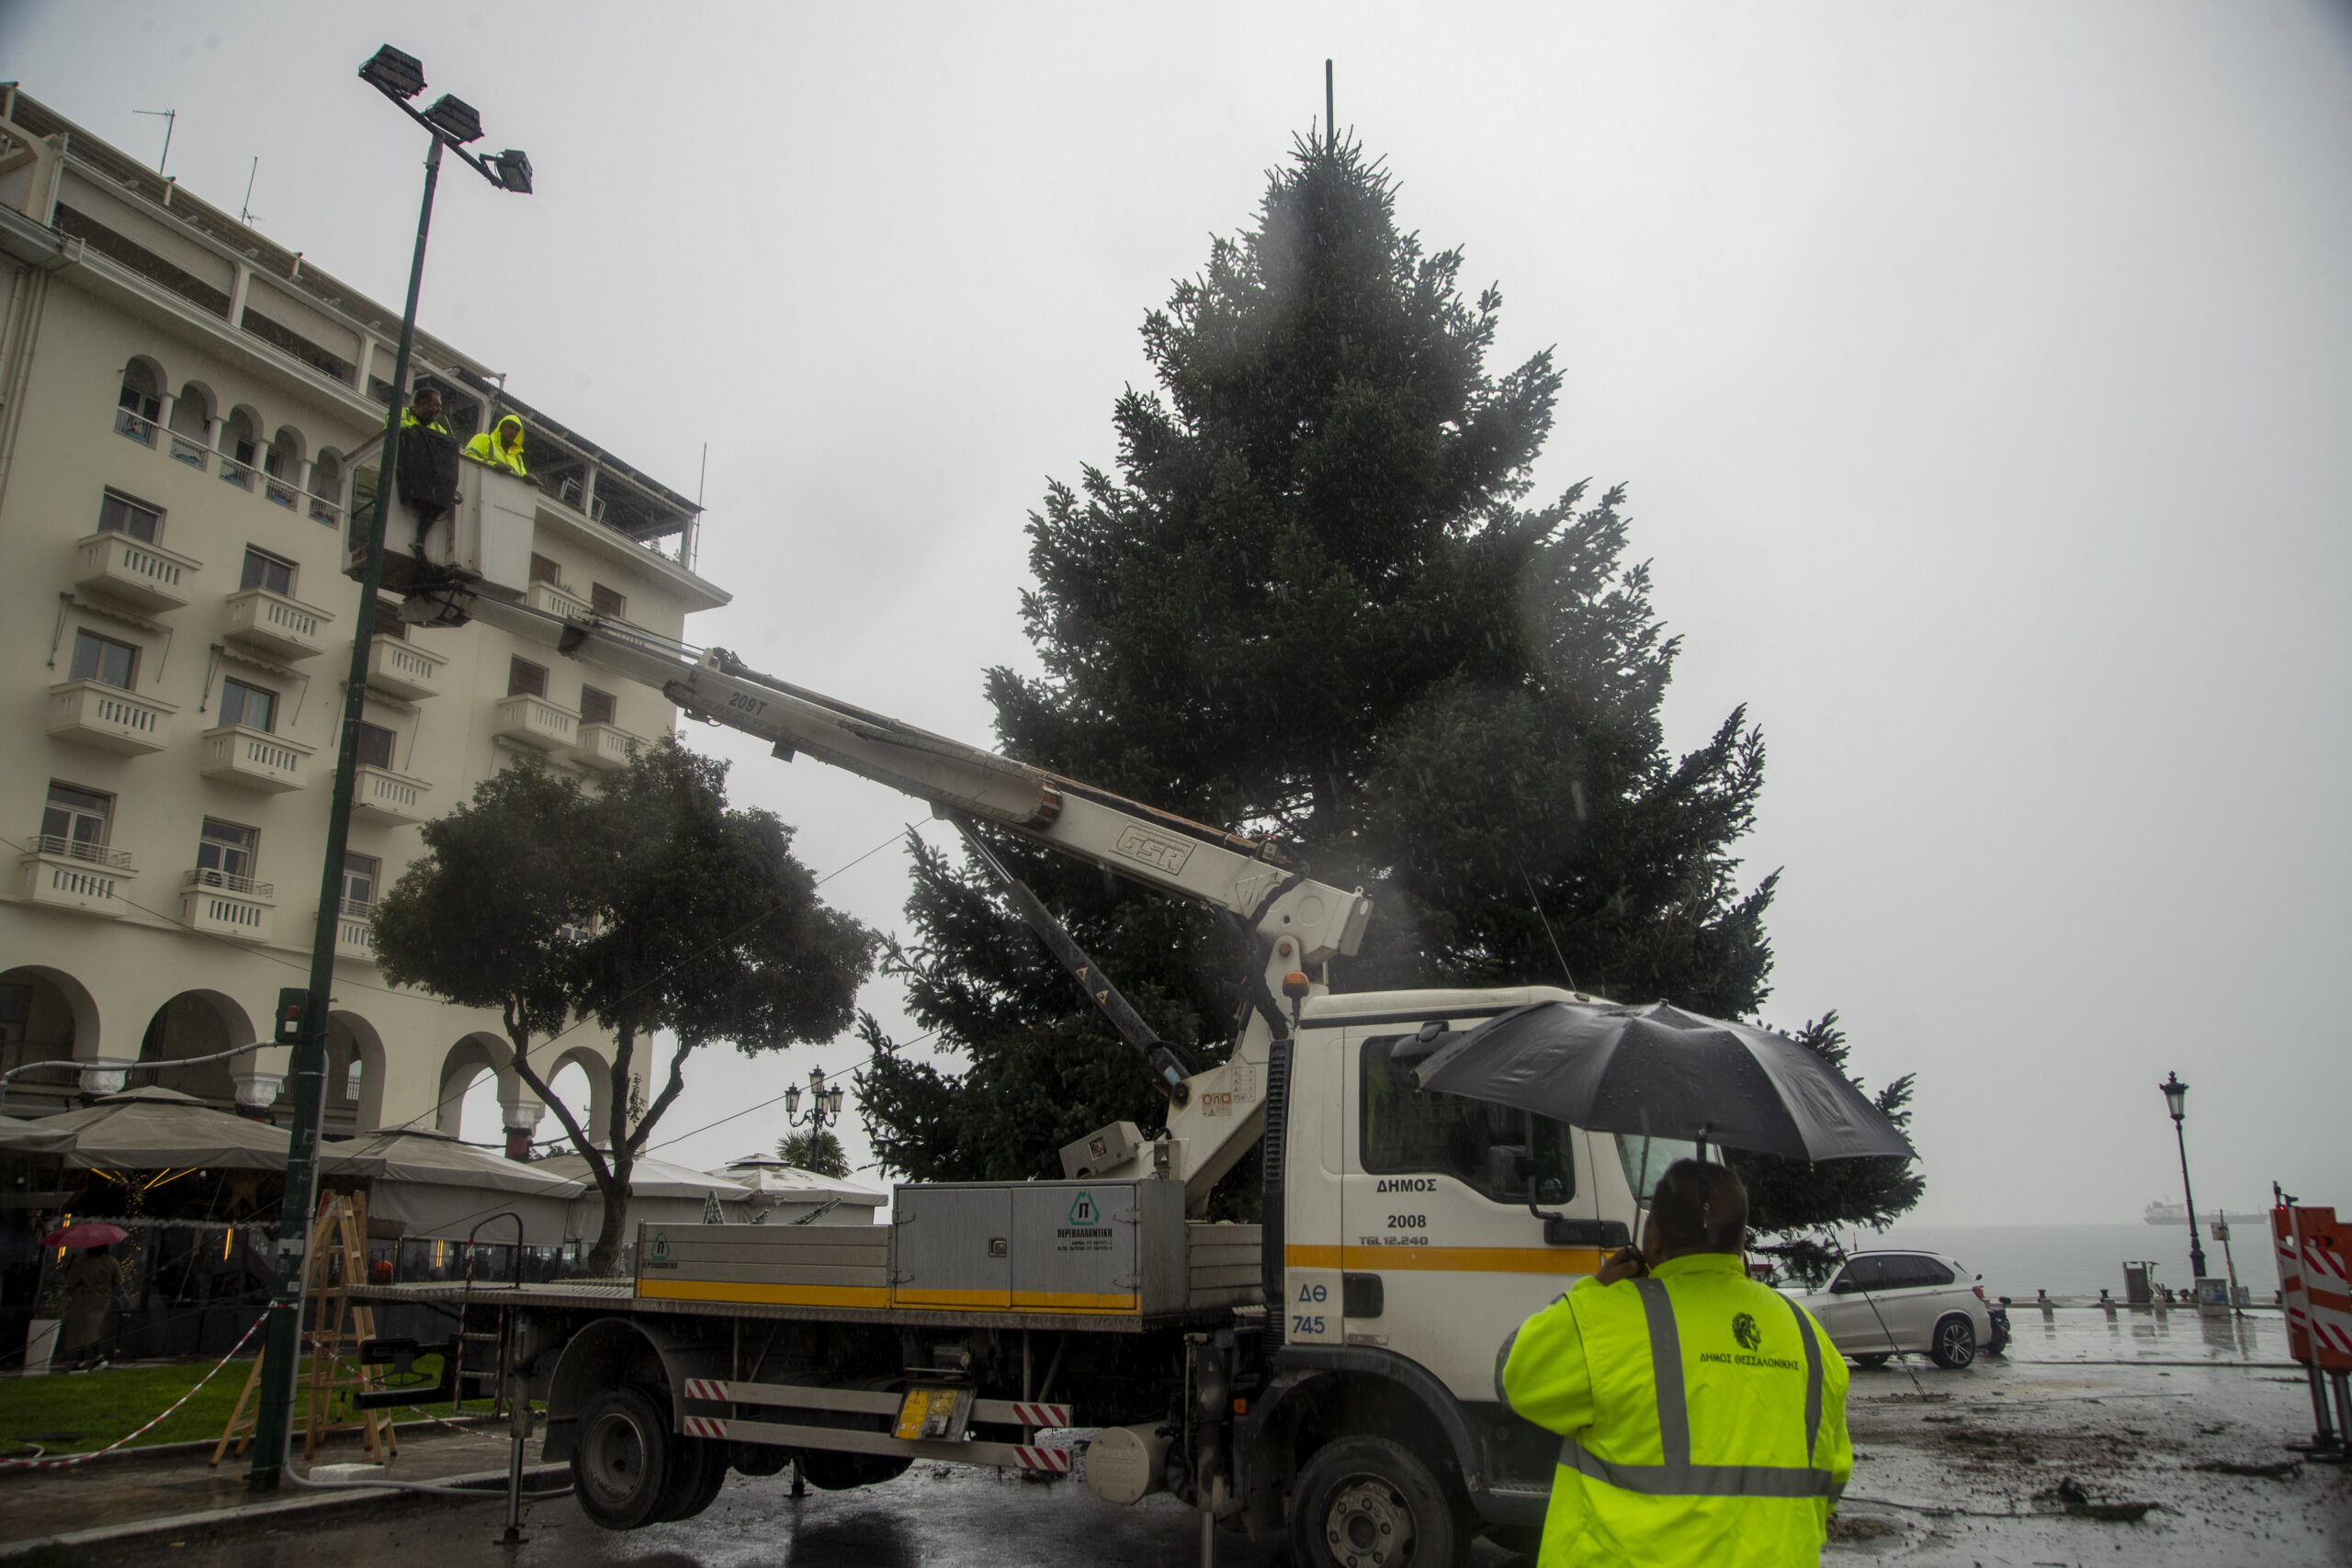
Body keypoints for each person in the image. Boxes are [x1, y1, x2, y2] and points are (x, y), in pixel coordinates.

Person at [1500, 1159, 1851, 1565]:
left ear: (1653, 1237)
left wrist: (1594, 1291)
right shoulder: (1810, 1338)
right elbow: (1831, 1479)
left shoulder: (1606, 1320)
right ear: (1740, 1239)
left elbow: (1516, 1377)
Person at [395, 387, 461, 558]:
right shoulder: (400, 413)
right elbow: (399, 430)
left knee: (444, 499)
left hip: (428, 479)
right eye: (436, 405)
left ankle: (420, 539)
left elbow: (446, 449)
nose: (439, 409)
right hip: (406, 470)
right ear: (422, 403)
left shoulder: (440, 430)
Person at [62, 1242, 121, 1372]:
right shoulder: (112, 1262)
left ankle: (83, 1361)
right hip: (103, 1300)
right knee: (93, 1330)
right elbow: (118, 1280)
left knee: (83, 1331)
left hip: (84, 1300)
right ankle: (97, 1357)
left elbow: (72, 1281)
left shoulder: (84, 1263)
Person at [463, 412, 528, 479]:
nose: (513, 432)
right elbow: (468, 457)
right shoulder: (483, 439)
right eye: (511, 427)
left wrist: (529, 479)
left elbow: (523, 478)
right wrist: (493, 465)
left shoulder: (518, 458)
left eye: (517, 431)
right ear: (501, 427)